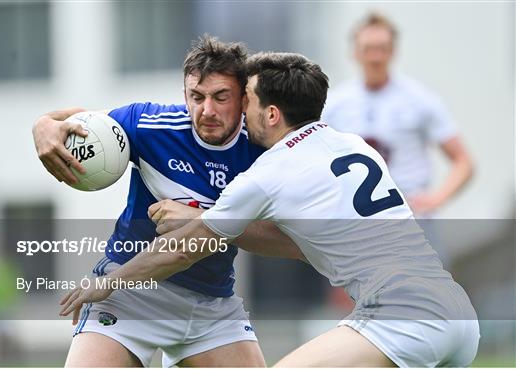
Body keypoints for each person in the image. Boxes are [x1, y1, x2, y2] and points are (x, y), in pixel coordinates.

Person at [60, 51, 480, 367]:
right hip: (459, 314)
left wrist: (110, 281)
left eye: (248, 102)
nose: (242, 112)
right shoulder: (355, 145)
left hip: (400, 316)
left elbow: (185, 248)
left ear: (272, 112)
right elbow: (315, 239)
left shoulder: (270, 171)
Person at [33, 36, 303, 368]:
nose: (207, 111)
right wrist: (43, 124)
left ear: (244, 99)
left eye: (221, 97)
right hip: (128, 292)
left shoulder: (267, 150)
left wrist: (204, 221)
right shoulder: (148, 124)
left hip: (212, 305)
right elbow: (85, 122)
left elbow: (294, 244)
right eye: (196, 97)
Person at [322, 13, 473, 222]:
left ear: (393, 52)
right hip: (356, 223)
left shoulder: (420, 99)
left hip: (411, 220)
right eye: (368, 49)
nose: (375, 58)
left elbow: (463, 162)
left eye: (382, 49)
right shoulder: (334, 104)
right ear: (355, 53)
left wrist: (436, 199)